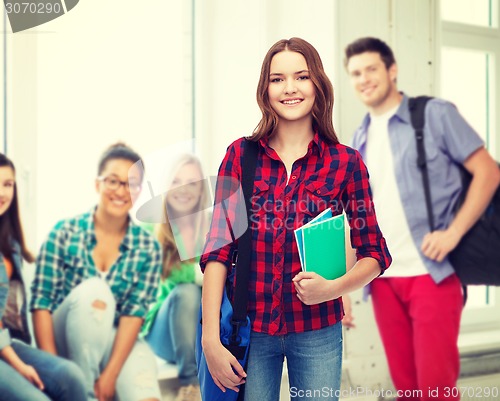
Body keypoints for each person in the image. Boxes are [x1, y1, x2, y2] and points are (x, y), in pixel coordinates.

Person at [200, 37, 392, 401]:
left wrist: (332, 289)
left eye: (301, 77)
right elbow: (217, 250)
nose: (290, 88)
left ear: (317, 84)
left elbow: (376, 253)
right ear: (265, 89)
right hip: (249, 329)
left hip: (318, 330)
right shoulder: (240, 155)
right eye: (277, 79)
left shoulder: (345, 163)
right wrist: (211, 337)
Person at [344, 37, 500, 401]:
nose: (364, 79)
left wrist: (453, 232)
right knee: (407, 391)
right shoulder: (359, 139)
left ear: (391, 70)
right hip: (382, 279)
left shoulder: (434, 114)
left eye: (371, 69)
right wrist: (345, 285)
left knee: (435, 391)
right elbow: (358, 218)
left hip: (432, 274)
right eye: (355, 73)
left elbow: (488, 172)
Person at [30, 143, 163, 401]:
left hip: (115, 340)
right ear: (97, 184)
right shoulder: (64, 232)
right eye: (113, 181)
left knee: (146, 394)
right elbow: (41, 304)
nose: (121, 191)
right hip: (63, 338)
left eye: (131, 184)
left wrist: (111, 374)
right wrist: (56, 372)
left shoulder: (148, 248)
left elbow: (134, 314)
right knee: (95, 292)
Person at [0, 153, 87, 401]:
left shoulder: (11, 244)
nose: (2, 193)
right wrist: (19, 366)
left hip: (8, 344)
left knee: (71, 377)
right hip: (4, 349)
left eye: (7, 184)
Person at [143, 154, 210, 401]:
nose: (183, 189)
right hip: (163, 332)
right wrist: (204, 273)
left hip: (204, 332)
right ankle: (190, 384)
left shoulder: (212, 227)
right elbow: (174, 277)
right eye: (176, 181)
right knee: (187, 293)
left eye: (192, 182)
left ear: (202, 189)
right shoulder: (151, 230)